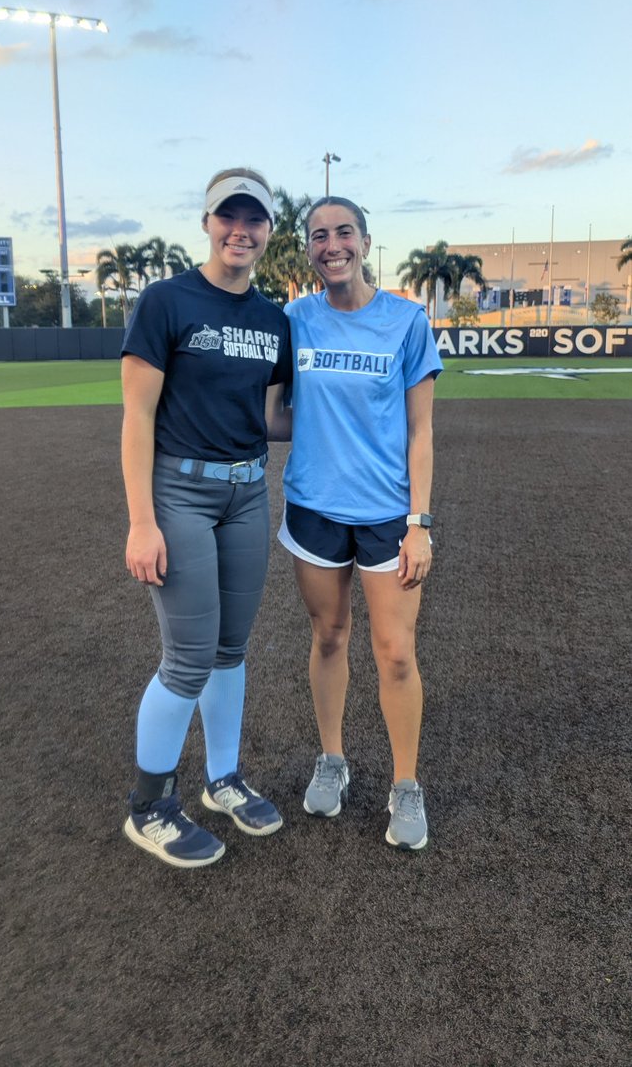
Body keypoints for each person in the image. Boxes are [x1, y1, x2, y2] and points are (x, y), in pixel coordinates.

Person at [121, 167, 292, 870]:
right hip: (180, 495)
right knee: (187, 659)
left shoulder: (272, 316)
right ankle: (149, 807)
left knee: (229, 650)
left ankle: (222, 779)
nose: (239, 230)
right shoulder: (167, 300)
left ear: (267, 233)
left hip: (247, 493)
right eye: (229, 216)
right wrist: (141, 521)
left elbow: (272, 418)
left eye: (253, 220)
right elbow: (136, 417)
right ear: (208, 222)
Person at [277, 196, 442, 851]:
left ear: (365, 242)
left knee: (395, 651)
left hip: (385, 515)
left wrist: (418, 523)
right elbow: (270, 410)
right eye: (318, 235)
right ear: (309, 250)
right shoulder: (293, 319)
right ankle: (333, 759)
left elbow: (421, 431)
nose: (331, 244)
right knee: (328, 636)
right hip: (314, 509)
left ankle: (405, 785)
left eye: (343, 231)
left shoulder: (404, 321)